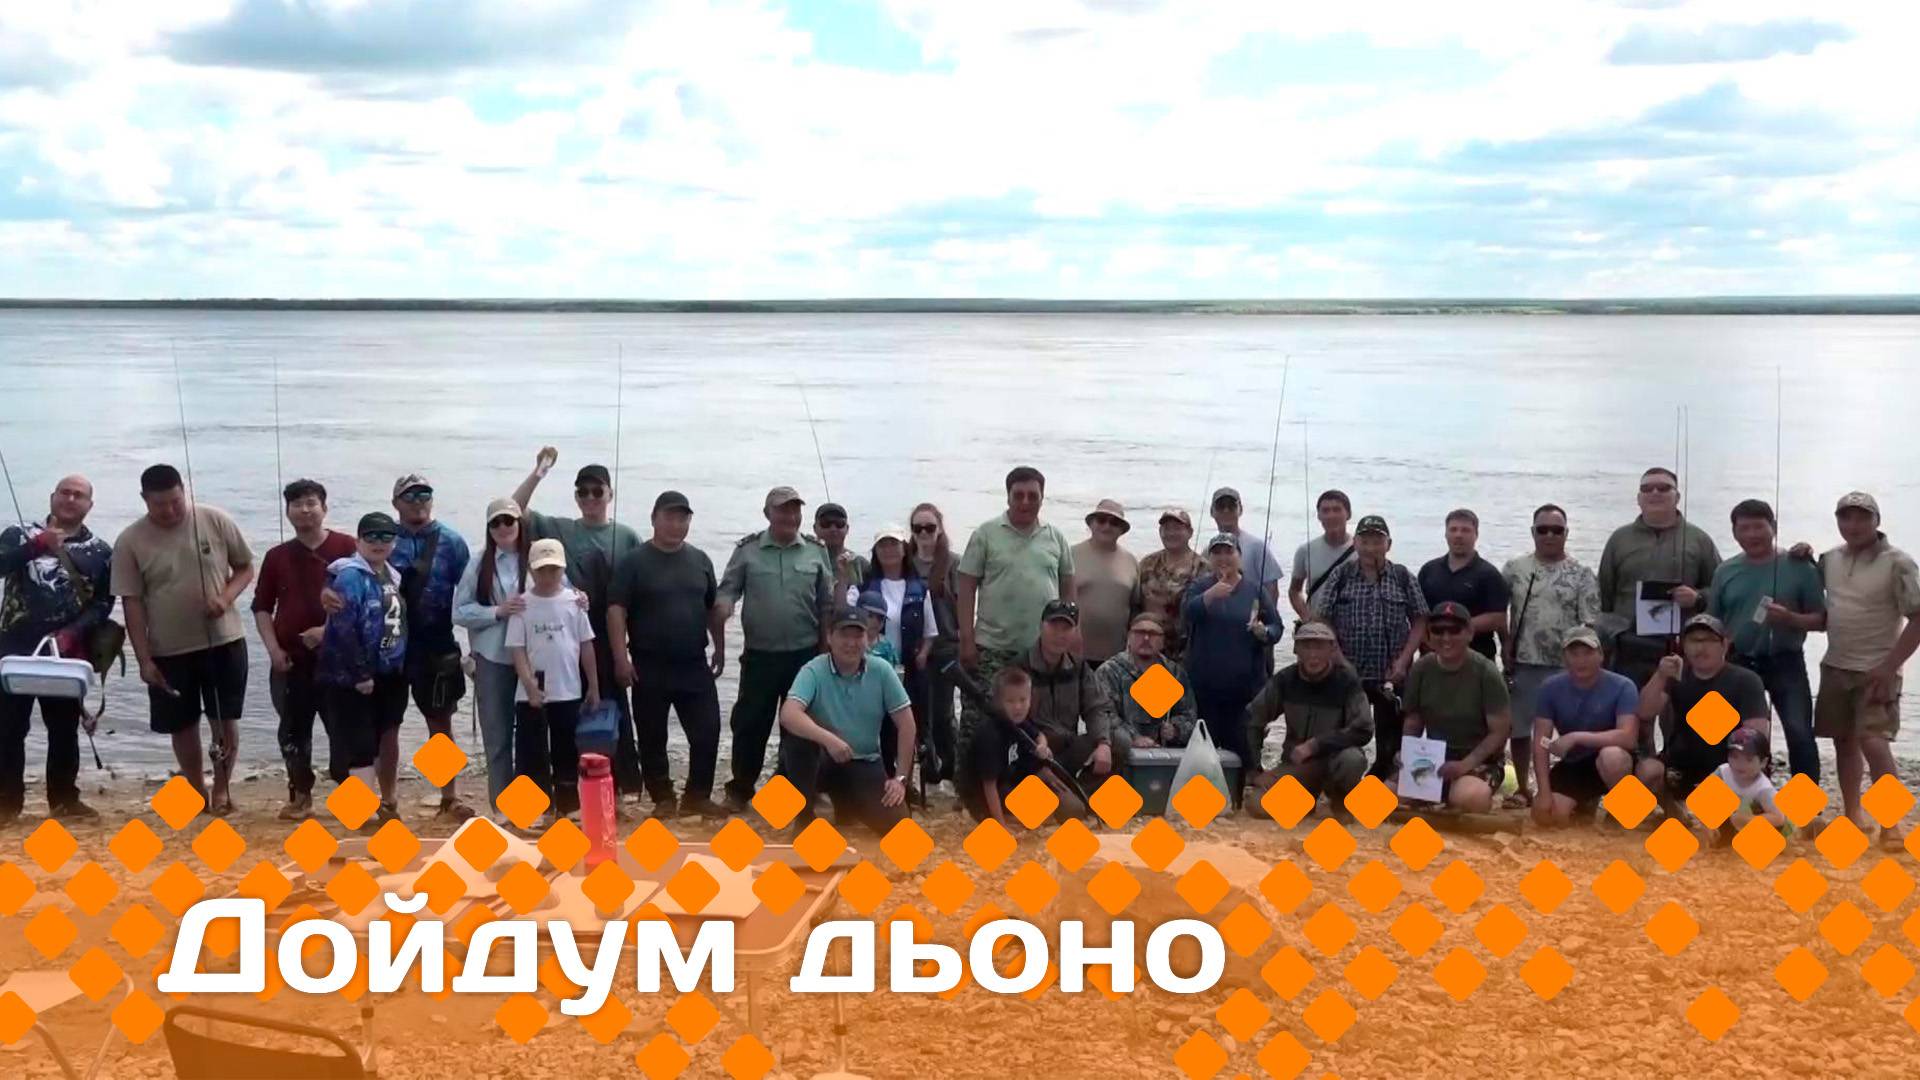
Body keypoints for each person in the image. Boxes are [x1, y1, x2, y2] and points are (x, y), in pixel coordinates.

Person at [113, 464, 254, 815]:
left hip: (223, 641)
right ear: (144, 499)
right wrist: (144, 659)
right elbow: (132, 602)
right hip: (168, 649)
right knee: (182, 725)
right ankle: (195, 788)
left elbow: (245, 567)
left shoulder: (214, 519)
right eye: (159, 504)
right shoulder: (130, 540)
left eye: (175, 501)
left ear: (184, 490)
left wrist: (225, 598)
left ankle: (222, 789)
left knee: (224, 719)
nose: (169, 511)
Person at [510, 449, 646, 794]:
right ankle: (568, 790)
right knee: (566, 718)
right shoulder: (560, 529)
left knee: (610, 713)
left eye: (597, 491)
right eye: (583, 492)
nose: (590, 498)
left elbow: (638, 594)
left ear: (610, 494)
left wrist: (628, 652)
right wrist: (539, 471)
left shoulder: (628, 536)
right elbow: (514, 510)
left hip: (608, 637)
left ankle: (619, 787)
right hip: (567, 635)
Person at [0, 474, 112, 824]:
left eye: (79, 495)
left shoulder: (101, 551)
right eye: (65, 492)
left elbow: (103, 604)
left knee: (63, 729)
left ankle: (64, 800)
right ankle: (6, 803)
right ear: (52, 497)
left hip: (65, 655)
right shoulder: (18, 533)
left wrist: (71, 633)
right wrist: (37, 545)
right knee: (7, 728)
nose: (70, 499)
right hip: (12, 649)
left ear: (90, 505)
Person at [715, 486, 836, 811]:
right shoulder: (748, 550)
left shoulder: (815, 551)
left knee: (801, 728)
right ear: (767, 513)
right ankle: (740, 790)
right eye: (782, 509)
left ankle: (795, 792)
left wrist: (825, 649)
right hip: (760, 655)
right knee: (749, 724)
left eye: (795, 510)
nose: (789, 516)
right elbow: (728, 590)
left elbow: (826, 603)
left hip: (804, 655)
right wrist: (723, 608)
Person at [607, 490, 725, 819]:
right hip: (648, 664)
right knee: (652, 735)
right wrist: (620, 659)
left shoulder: (700, 560)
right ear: (654, 519)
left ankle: (697, 796)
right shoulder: (633, 562)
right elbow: (616, 610)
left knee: (708, 730)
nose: (676, 524)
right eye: (669, 517)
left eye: (683, 518)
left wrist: (720, 647)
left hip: (693, 662)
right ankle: (662, 797)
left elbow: (712, 609)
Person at [1813, 492, 1920, 842]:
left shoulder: (1898, 562)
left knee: (1875, 743)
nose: (1853, 525)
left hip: (1879, 668)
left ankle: (1891, 826)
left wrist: (1890, 666)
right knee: (1844, 742)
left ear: (1877, 521)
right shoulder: (1829, 559)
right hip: (1835, 664)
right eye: (1846, 517)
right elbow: (1814, 601)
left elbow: (1917, 618)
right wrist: (1799, 554)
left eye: (1862, 517)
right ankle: (1853, 815)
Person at [251, 479, 356, 820]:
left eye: (312, 503)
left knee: (344, 730)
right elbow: (261, 607)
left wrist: (327, 632)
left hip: (339, 660)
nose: (305, 510)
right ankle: (300, 794)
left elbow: (365, 600)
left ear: (324, 508)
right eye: (297, 504)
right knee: (293, 733)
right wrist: (273, 650)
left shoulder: (347, 547)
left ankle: (352, 796)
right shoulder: (276, 556)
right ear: (288, 512)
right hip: (291, 661)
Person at [956, 466, 1076, 748]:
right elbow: (966, 588)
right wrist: (966, 639)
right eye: (1018, 495)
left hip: (1039, 653)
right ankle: (968, 776)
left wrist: (1072, 635)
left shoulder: (1056, 538)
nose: (1025, 502)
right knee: (979, 723)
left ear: (1042, 498)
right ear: (1008, 496)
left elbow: (1068, 586)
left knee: (1032, 727)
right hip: (991, 648)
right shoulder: (985, 534)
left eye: (1033, 496)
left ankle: (1022, 776)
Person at [1707, 499, 1825, 781]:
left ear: (1773, 527)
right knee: (1721, 731)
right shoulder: (1725, 571)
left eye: (1759, 527)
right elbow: (1714, 623)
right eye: (1744, 528)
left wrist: (1790, 619)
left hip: (1786, 661)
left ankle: (1805, 803)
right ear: (1734, 533)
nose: (1752, 535)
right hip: (1738, 662)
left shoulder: (1800, 567)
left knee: (1799, 731)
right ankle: (1733, 795)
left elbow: (1822, 621)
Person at [778, 604, 916, 836]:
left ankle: (845, 804)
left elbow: (907, 724)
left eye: (858, 635)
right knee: (797, 746)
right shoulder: (813, 670)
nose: (851, 643)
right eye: (844, 635)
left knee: (899, 825)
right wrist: (829, 740)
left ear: (868, 639)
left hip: (863, 761)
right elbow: (788, 714)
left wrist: (900, 779)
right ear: (829, 637)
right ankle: (804, 819)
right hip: (821, 760)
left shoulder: (882, 670)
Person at [1311, 515, 1429, 780]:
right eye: (1365, 541)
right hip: (1348, 673)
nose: (1371, 547)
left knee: (1391, 742)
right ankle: (1343, 781)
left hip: (1392, 676)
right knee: (1345, 735)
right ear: (1355, 543)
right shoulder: (1341, 575)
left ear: (1389, 544)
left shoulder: (1402, 576)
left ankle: (1382, 784)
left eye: (1377, 541)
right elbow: (1322, 617)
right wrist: (1339, 659)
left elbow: (1420, 619)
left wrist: (1404, 661)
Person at [386, 473, 475, 821]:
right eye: (410, 496)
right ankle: (388, 800)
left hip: (436, 642)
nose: (418, 502)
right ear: (396, 503)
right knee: (386, 725)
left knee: (440, 725)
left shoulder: (452, 542)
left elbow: (469, 596)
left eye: (424, 495)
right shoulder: (383, 539)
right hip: (390, 643)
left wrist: (474, 650)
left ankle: (448, 797)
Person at [1500, 504, 1601, 804]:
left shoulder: (1581, 574)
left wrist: (1586, 665)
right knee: (1519, 730)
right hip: (1523, 664)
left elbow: (1590, 624)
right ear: (1533, 532)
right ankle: (1523, 787)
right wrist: (1504, 643)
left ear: (1566, 533)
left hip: (1567, 668)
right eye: (1542, 529)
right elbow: (1498, 611)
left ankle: (1581, 793)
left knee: (1574, 732)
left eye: (1556, 530)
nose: (1549, 535)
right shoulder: (1514, 569)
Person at [1598, 466, 1721, 700]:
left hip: (1682, 644)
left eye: (1664, 488)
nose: (1655, 493)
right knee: (1632, 712)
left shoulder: (1699, 539)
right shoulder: (1619, 539)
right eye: (1647, 488)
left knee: (1691, 714)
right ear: (1639, 498)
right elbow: (1604, 593)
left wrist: (1697, 598)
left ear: (1677, 496)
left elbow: (1719, 589)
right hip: (1629, 645)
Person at [316, 513, 409, 820]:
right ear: (358, 542)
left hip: (388, 674)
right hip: (352, 677)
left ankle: (375, 804)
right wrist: (360, 673)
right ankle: (362, 813)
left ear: (394, 542)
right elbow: (343, 628)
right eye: (371, 536)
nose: (378, 543)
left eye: (385, 537)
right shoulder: (350, 576)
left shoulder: (392, 575)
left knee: (378, 738)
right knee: (360, 745)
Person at [1636, 614, 1770, 816]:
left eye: (1709, 640)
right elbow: (1645, 712)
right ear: (1683, 646)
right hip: (1681, 765)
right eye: (1694, 641)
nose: (1701, 647)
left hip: (1729, 767)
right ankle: (1675, 813)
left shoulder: (1746, 680)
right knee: (1647, 771)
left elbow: (1757, 736)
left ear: (1724, 645)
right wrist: (1660, 676)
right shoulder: (1676, 676)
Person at [506, 539, 599, 822]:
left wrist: (593, 686)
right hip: (532, 692)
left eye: (554, 570)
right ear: (531, 570)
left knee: (566, 749)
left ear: (563, 569)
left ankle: (568, 805)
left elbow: (586, 645)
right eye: (541, 570)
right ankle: (534, 809)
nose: (548, 576)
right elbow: (517, 649)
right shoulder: (522, 605)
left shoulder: (575, 602)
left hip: (568, 690)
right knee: (531, 750)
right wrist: (529, 684)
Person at [1244, 619, 1373, 820]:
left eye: (1320, 647)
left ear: (1332, 650)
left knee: (1353, 760)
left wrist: (1315, 745)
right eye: (1306, 647)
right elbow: (1253, 719)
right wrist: (1255, 769)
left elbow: (1364, 729)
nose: (1313, 655)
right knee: (1257, 805)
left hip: (1334, 761)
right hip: (1298, 765)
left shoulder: (1347, 682)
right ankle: (1305, 801)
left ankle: (1341, 800)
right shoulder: (1285, 680)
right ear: (1296, 649)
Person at [453, 497, 531, 819]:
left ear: (519, 523)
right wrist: (497, 611)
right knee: (497, 736)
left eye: (508, 521)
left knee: (531, 737)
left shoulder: (535, 557)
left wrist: (578, 599)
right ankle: (501, 808)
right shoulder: (479, 562)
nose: (502, 527)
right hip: (493, 658)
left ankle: (529, 805)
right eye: (495, 523)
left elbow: (561, 590)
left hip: (533, 660)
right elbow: (459, 611)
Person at [1396, 603, 1511, 813]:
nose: (1446, 637)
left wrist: (1464, 765)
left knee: (1471, 798)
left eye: (1454, 630)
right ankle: (1432, 799)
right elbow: (1413, 721)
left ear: (1469, 633)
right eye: (1438, 631)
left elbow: (1499, 732)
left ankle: (1444, 799)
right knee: (1371, 800)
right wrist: (1406, 753)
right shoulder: (1421, 668)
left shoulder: (1486, 672)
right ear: (1429, 635)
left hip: (1479, 762)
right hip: (1432, 761)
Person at [1183, 533, 1284, 765]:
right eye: (1217, 552)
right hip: (1205, 689)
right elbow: (1187, 613)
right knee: (1202, 754)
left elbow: (1277, 627)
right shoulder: (1199, 586)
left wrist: (1264, 632)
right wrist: (1210, 596)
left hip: (1245, 690)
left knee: (1244, 752)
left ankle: (1244, 784)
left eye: (1229, 551)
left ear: (1239, 556)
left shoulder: (1255, 590)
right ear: (1209, 558)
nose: (1223, 557)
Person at [1529, 626, 1640, 828]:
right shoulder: (1549, 688)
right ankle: (1583, 804)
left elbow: (1628, 737)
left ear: (1601, 655)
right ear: (1564, 658)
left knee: (1612, 757)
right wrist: (1543, 791)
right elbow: (1541, 742)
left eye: (1588, 653)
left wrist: (1576, 737)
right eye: (1574, 654)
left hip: (1615, 760)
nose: (1581, 660)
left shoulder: (1623, 686)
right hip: (1576, 762)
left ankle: (1623, 812)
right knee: (1545, 815)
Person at [1013, 599, 1124, 785]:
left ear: (1075, 632)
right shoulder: (1020, 667)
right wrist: (1037, 747)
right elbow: (1007, 719)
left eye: (1066, 628)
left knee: (1118, 742)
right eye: (1053, 626)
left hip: (1068, 748)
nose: (1059, 634)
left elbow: (1097, 707)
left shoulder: (1078, 667)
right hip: (1031, 752)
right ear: (1041, 626)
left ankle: (1080, 791)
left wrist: (1103, 743)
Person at [963, 666, 1085, 825]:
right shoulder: (990, 734)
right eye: (1010, 701)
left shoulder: (1019, 721)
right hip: (988, 794)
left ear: (1030, 699)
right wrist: (1000, 825)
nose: (1018, 707)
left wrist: (1042, 747)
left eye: (1023, 700)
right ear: (998, 702)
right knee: (1042, 816)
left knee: (1073, 810)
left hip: (1012, 781)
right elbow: (989, 785)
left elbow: (1038, 735)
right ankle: (1002, 817)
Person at [908, 502, 961, 788]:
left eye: (929, 527)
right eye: (917, 528)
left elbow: (965, 605)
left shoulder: (954, 563)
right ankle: (926, 771)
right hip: (913, 651)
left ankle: (951, 767)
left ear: (939, 529)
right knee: (916, 714)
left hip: (946, 647)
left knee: (942, 713)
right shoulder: (905, 562)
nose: (924, 533)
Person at [1417, 509, 1509, 663]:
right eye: (1453, 530)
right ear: (1446, 534)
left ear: (1476, 535)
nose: (1458, 535)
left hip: (1477, 659)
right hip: (1432, 659)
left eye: (1465, 530)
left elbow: (1498, 618)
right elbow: (1418, 613)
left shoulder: (1489, 574)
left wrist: (1454, 628)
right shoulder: (1429, 570)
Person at [1093, 614, 1198, 749]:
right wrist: (1133, 738)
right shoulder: (1109, 672)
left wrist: (1176, 730)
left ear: (1163, 641)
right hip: (1121, 751)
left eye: (1153, 634)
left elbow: (1189, 716)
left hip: (1165, 754)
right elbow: (1103, 716)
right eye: (1140, 632)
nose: (1146, 638)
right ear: (1129, 637)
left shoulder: (1175, 673)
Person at [1071, 499, 1139, 665]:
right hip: (1074, 652)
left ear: (1122, 530)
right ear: (1091, 524)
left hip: (1117, 656)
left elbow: (1136, 608)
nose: (1107, 526)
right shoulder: (1070, 555)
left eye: (1114, 522)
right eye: (1101, 520)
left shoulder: (1131, 561)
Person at [1135, 508, 1203, 661]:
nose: (1171, 533)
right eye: (1166, 528)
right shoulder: (1147, 563)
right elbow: (1135, 604)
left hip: (1183, 652)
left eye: (1177, 528)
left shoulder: (1202, 567)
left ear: (1190, 532)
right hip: (1148, 647)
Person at [1208, 488, 1283, 607]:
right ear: (1212, 512)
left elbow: (1272, 588)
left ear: (1240, 510)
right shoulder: (1207, 551)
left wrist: (1265, 614)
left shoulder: (1257, 547)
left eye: (1231, 506)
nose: (1226, 510)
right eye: (1220, 506)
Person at [1289, 490, 1355, 619]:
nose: (1331, 516)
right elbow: (1295, 591)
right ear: (1319, 516)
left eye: (1337, 510)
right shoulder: (1305, 550)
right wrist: (1307, 617)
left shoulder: (1361, 550)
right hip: (1318, 625)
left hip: (1353, 624)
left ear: (1348, 514)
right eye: (1325, 511)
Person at [1716, 727, 1786, 833]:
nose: (1740, 763)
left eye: (1749, 759)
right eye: (1734, 757)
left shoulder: (1763, 788)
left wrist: (1747, 820)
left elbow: (1779, 818)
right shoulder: (1723, 772)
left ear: (1763, 762)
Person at [858, 589, 902, 671]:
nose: (875, 622)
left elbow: (894, 673)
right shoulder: (850, 642)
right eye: (870, 616)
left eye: (880, 618)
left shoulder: (887, 647)